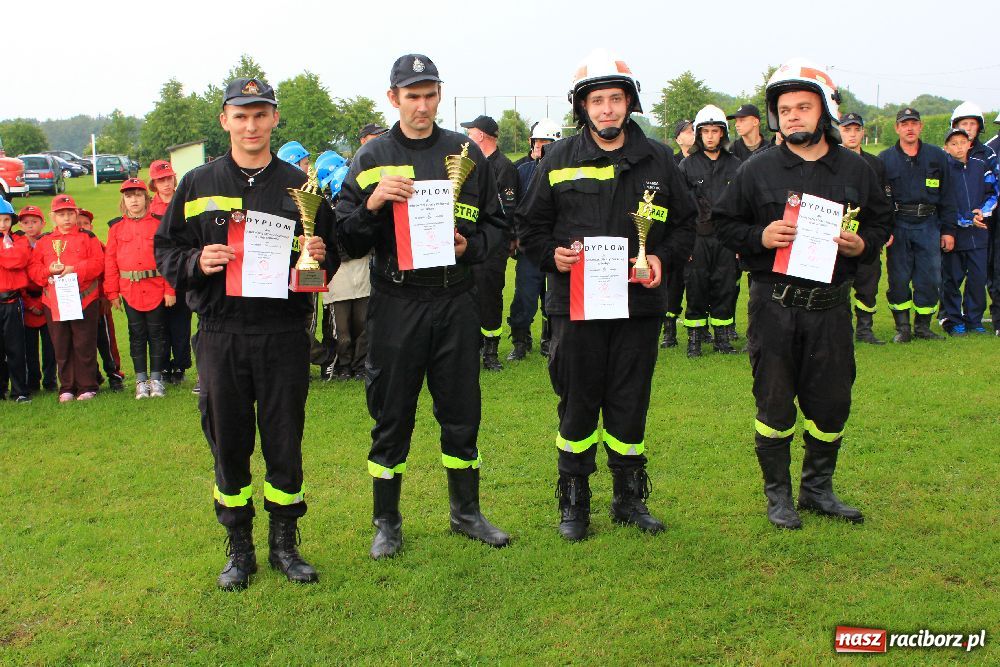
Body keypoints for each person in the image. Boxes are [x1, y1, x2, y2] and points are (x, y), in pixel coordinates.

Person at [155, 76, 336, 590]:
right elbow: (166, 250)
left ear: (274, 118)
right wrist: (196, 261)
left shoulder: (302, 186)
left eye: (260, 114)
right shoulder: (197, 184)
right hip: (221, 333)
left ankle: (284, 544)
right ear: (225, 121)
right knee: (228, 443)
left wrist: (320, 254)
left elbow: (330, 254)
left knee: (284, 441)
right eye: (241, 115)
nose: (251, 125)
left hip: (283, 332)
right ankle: (240, 549)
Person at [336, 53, 511, 559]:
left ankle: (466, 512)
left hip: (455, 298)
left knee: (461, 410)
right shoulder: (372, 156)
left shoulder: (465, 152)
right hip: (397, 301)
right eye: (411, 96)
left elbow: (498, 226)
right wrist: (372, 204)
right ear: (393, 98)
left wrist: (470, 246)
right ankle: (387, 522)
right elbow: (345, 237)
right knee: (391, 414)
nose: (422, 105)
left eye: (429, 94)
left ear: (439, 95)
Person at [518, 49, 696, 541]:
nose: (607, 109)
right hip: (575, 308)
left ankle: (629, 497)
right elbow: (529, 228)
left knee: (630, 399)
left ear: (630, 102)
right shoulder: (558, 159)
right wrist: (552, 255)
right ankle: (574, 501)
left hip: (639, 305)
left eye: (616, 99)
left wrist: (662, 258)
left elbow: (687, 225)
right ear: (582, 106)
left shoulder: (659, 158)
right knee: (577, 400)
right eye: (597, 101)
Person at [714, 59, 892, 529]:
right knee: (774, 403)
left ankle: (817, 489)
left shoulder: (856, 169)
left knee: (832, 403)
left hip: (831, 309)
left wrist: (863, 245)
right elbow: (723, 223)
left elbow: (880, 222)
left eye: (803, 107)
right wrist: (759, 236)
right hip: (774, 307)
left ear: (824, 111)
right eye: (785, 109)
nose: (793, 116)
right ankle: (779, 496)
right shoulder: (756, 169)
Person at [879, 108, 956, 342]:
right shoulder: (885, 159)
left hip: (929, 225)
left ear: (921, 126)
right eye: (904, 124)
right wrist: (885, 230)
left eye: (913, 123)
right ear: (897, 128)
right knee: (899, 279)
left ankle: (923, 327)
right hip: (898, 225)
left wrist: (948, 230)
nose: (909, 128)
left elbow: (948, 195)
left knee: (930, 278)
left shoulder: (937, 156)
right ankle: (902, 328)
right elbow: (880, 200)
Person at [678, 104, 742, 357]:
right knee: (696, 286)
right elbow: (681, 208)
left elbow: (742, 205)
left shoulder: (736, 165)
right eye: (706, 131)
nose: (711, 136)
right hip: (697, 238)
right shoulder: (687, 166)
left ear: (723, 133)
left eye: (715, 131)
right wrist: (685, 244)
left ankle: (722, 339)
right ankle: (694, 340)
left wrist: (739, 242)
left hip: (726, 239)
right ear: (698, 134)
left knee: (725, 287)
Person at [28, 195, 105, 402]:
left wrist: (75, 269)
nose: (67, 218)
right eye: (61, 214)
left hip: (84, 298)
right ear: (53, 217)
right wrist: (48, 271)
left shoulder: (88, 238)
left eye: (70, 213)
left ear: (76, 214)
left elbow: (98, 264)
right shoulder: (44, 242)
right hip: (54, 301)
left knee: (84, 343)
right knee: (61, 344)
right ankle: (67, 387)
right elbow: (33, 269)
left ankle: (87, 385)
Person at [106, 178, 175, 398]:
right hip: (130, 289)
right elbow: (110, 261)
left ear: (146, 198)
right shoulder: (116, 228)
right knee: (136, 334)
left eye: (137, 195)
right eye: (129, 196)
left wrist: (170, 290)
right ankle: (140, 381)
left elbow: (168, 258)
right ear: (123, 201)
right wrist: (112, 292)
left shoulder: (159, 224)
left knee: (157, 333)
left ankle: (156, 379)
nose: (133, 200)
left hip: (155, 287)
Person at [461, 114, 518, 371]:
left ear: (481, 135)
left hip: (493, 245)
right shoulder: (469, 164)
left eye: (470, 132)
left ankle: (491, 352)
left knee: (490, 296)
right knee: (469, 296)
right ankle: (472, 348)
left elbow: (507, 211)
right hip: (469, 244)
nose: (467, 137)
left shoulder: (504, 167)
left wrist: (506, 239)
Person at [507, 118, 561, 361]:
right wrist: (515, 237)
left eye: (545, 142)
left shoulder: (563, 173)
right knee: (524, 296)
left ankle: (549, 339)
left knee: (552, 296)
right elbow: (514, 209)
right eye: (537, 141)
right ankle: (520, 340)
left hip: (556, 247)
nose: (540, 146)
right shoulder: (522, 171)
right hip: (529, 248)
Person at [838, 112, 892, 344]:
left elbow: (884, 201)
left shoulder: (875, 164)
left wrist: (884, 231)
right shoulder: (831, 160)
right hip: (837, 232)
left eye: (856, 129)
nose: (852, 134)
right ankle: (840, 329)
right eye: (846, 129)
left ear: (862, 132)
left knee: (868, 281)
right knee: (839, 282)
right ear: (839, 131)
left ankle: (864, 329)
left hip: (866, 232)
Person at [938, 127, 996, 335]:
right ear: (946, 148)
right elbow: (942, 204)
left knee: (978, 280)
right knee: (952, 279)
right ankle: (953, 319)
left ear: (970, 144)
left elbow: (992, 193)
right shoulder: (943, 170)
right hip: (954, 236)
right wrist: (965, 219)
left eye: (963, 142)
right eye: (953, 144)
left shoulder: (981, 166)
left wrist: (982, 212)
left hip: (979, 236)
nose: (959, 147)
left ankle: (974, 320)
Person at [147, 160, 193, 387]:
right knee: (160, 323)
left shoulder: (184, 201)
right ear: (153, 184)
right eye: (160, 180)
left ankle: (180, 365)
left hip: (181, 267)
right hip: (157, 274)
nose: (166, 184)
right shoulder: (149, 209)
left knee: (181, 321)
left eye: (168, 178)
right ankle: (163, 365)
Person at [78, 208, 125, 392]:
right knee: (84, 342)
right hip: (78, 304)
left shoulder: (98, 245)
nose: (82, 227)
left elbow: (108, 271)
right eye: (78, 224)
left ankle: (114, 374)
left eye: (85, 223)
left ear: (91, 226)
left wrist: (106, 296)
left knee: (106, 340)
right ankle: (93, 375)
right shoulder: (69, 246)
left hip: (98, 302)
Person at [17, 205, 56, 393]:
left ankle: (50, 380)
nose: (30, 226)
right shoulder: (17, 245)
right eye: (26, 222)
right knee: (29, 347)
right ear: (20, 225)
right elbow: (16, 276)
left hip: (47, 299)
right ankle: (32, 381)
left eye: (34, 221)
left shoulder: (49, 243)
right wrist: (28, 303)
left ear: (43, 223)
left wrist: (42, 301)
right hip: (26, 301)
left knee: (50, 345)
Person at [0, 197, 31, 402]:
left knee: (16, 348)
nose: (3, 225)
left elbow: (18, 260)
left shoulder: (19, 239)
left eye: (6, 220)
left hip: (12, 302)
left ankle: (20, 391)